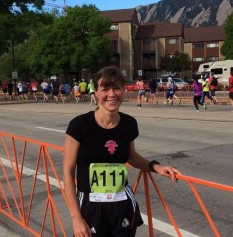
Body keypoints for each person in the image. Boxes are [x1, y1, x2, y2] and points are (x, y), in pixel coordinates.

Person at [63, 66, 180, 237]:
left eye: (117, 88)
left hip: (122, 205)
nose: (112, 94)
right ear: (96, 92)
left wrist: (156, 167)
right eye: (105, 89)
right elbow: (68, 171)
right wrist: (76, 218)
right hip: (90, 206)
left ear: (124, 91)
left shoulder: (129, 124)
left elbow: (131, 156)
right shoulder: (79, 125)